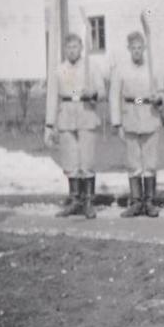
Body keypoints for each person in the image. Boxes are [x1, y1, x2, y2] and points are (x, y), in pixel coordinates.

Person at [44, 33, 103, 220]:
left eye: (75, 47)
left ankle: (88, 202)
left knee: (87, 160)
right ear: (65, 49)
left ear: (81, 48)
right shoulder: (59, 70)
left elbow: (102, 92)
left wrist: (93, 93)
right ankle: (75, 200)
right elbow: (52, 98)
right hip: (66, 114)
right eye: (69, 47)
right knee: (70, 161)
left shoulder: (91, 67)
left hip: (86, 113)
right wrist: (49, 124)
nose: (72, 51)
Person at [109, 31, 164, 218]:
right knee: (133, 163)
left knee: (150, 163)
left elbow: (163, 92)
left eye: (140, 48)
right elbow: (114, 96)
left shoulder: (153, 68)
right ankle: (136, 202)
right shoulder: (121, 70)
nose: (137, 51)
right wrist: (117, 122)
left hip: (150, 117)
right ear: (129, 49)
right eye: (134, 48)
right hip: (130, 118)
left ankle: (149, 202)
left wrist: (158, 98)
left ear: (144, 48)